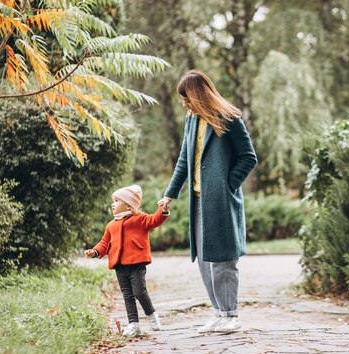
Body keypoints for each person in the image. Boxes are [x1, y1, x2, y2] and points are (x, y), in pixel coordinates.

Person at [158, 69, 258, 334]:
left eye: (187, 98)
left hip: (221, 202)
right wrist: (170, 194)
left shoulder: (230, 118)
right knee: (204, 259)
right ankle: (218, 312)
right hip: (198, 201)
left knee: (224, 259)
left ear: (198, 95)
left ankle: (231, 314)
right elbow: (183, 160)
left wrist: (228, 184)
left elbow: (249, 157)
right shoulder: (191, 120)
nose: (184, 104)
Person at [85, 184, 170, 337]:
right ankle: (133, 324)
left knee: (139, 292)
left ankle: (151, 315)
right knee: (127, 295)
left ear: (129, 206)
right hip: (119, 266)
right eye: (113, 201)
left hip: (136, 264)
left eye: (116, 201)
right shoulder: (111, 225)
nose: (113, 204)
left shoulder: (140, 219)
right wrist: (95, 251)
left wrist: (162, 210)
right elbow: (104, 243)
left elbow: (154, 220)